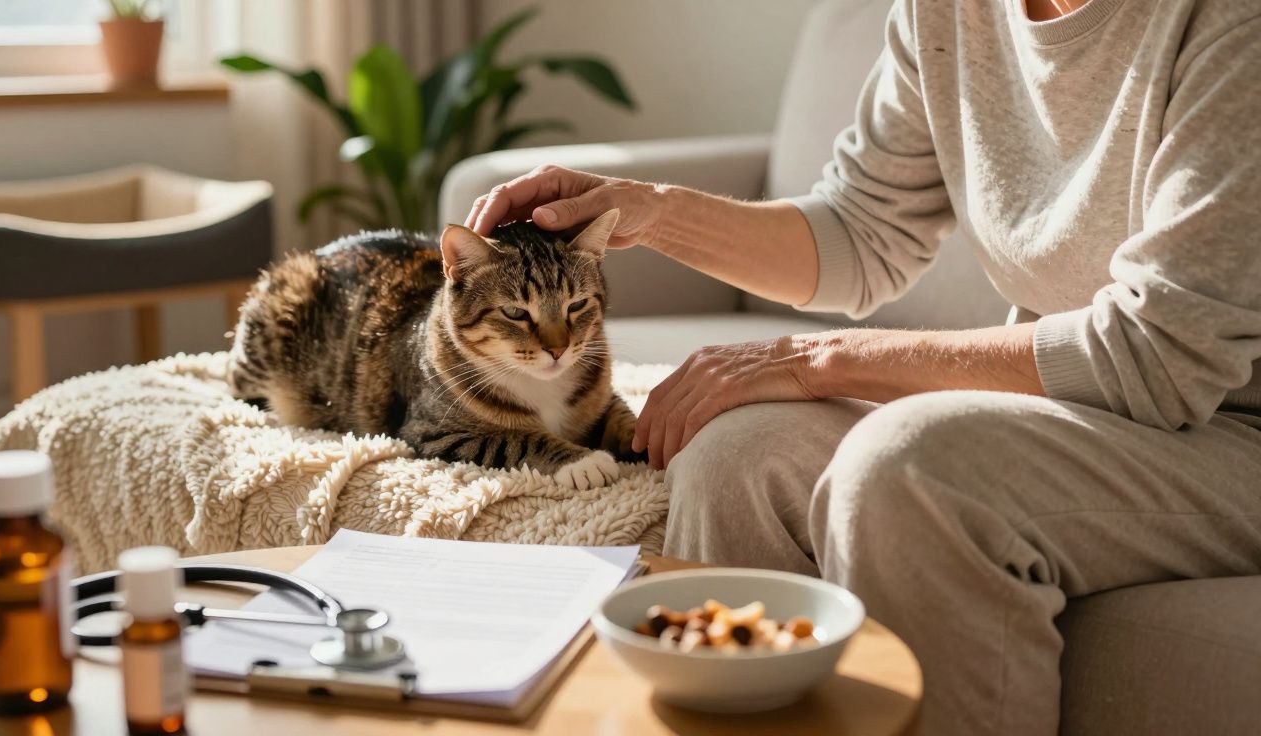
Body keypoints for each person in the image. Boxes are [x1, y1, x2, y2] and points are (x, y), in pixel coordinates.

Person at [464, 0, 1261, 733]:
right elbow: (861, 232)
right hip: (1086, 410)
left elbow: (1162, 355)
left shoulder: (1228, 23)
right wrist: (651, 211)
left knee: (914, 467)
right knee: (737, 452)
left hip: (1230, 429)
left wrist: (819, 360)